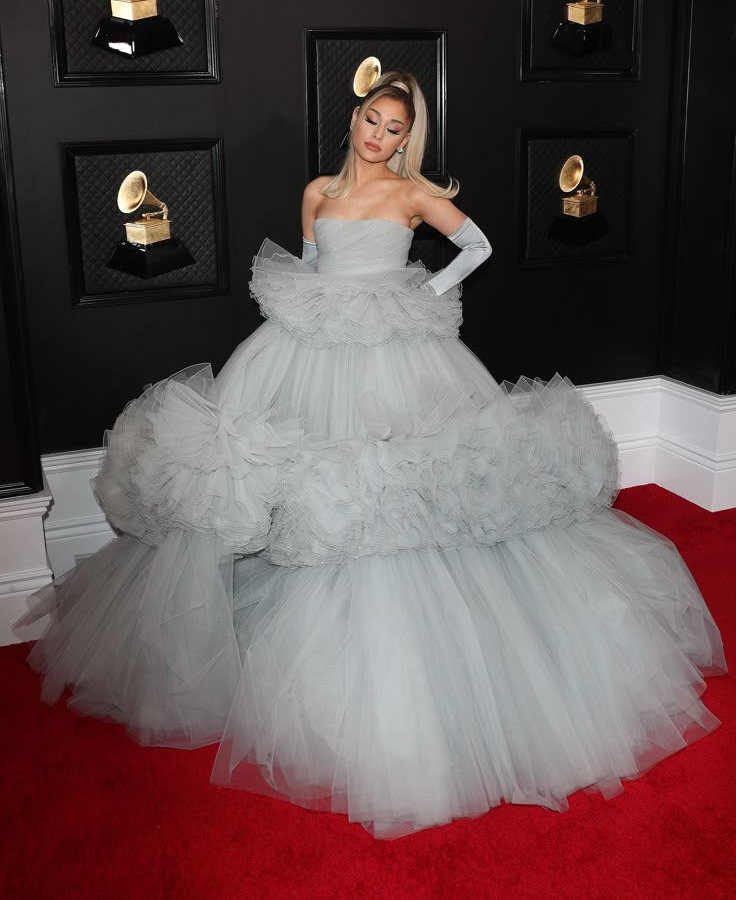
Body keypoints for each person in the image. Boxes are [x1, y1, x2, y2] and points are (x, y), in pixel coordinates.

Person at [17, 70, 726, 840]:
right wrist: (324, 308)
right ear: (355, 116)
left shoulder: (414, 193)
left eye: (395, 128)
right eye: (372, 120)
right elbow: (317, 266)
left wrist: (425, 293)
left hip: (398, 349)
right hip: (313, 342)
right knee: (288, 476)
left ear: (407, 137)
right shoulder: (318, 190)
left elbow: (477, 243)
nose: (379, 136)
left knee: (407, 488)